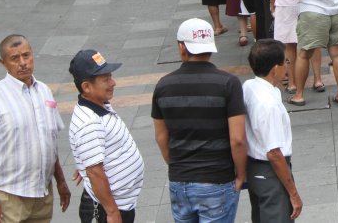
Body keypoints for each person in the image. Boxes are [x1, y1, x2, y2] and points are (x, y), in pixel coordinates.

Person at [151, 19, 246, 223]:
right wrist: (240, 175)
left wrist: (179, 165)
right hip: (217, 179)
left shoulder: (164, 85)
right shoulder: (228, 84)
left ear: (182, 47)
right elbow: (237, 139)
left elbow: (160, 137)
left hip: (179, 180)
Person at [0, 35, 72, 222]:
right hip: (9, 196)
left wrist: (61, 181)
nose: (23, 63)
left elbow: (50, 141)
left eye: (26, 56)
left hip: (42, 194)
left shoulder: (44, 90)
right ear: (3, 63)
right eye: (15, 58)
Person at [67, 48, 143, 223]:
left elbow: (94, 160)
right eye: (105, 79)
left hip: (121, 204)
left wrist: (88, 159)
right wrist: (112, 213)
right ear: (86, 87)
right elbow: (95, 172)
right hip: (110, 209)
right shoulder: (89, 123)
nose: (113, 82)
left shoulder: (100, 104)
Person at [242, 40, 302, 222]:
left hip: (255, 168)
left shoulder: (249, 86)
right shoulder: (268, 105)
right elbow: (274, 153)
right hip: (271, 172)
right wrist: (293, 193)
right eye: (286, 62)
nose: (287, 67)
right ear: (275, 68)